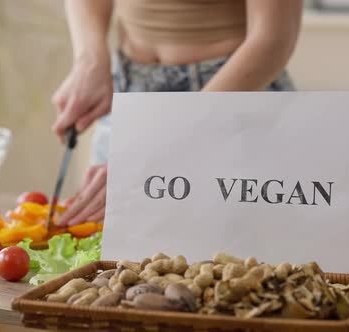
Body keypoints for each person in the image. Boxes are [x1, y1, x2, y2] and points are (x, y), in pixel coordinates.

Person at [53, 0, 303, 226]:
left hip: (232, 99)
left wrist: (162, 148)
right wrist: (90, 60)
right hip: (130, 93)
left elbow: (273, 39)